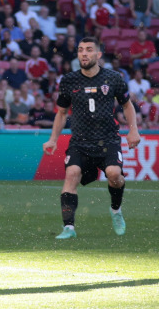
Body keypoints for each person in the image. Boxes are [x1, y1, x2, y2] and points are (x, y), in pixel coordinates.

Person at [43, 38, 141, 239]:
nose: (84, 54)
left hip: (108, 139)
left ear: (98, 54)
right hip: (80, 141)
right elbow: (62, 112)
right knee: (72, 174)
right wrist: (53, 139)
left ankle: (115, 210)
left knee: (114, 174)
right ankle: (68, 228)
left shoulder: (113, 78)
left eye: (89, 50)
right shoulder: (69, 80)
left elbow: (127, 105)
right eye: (80, 50)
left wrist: (133, 130)